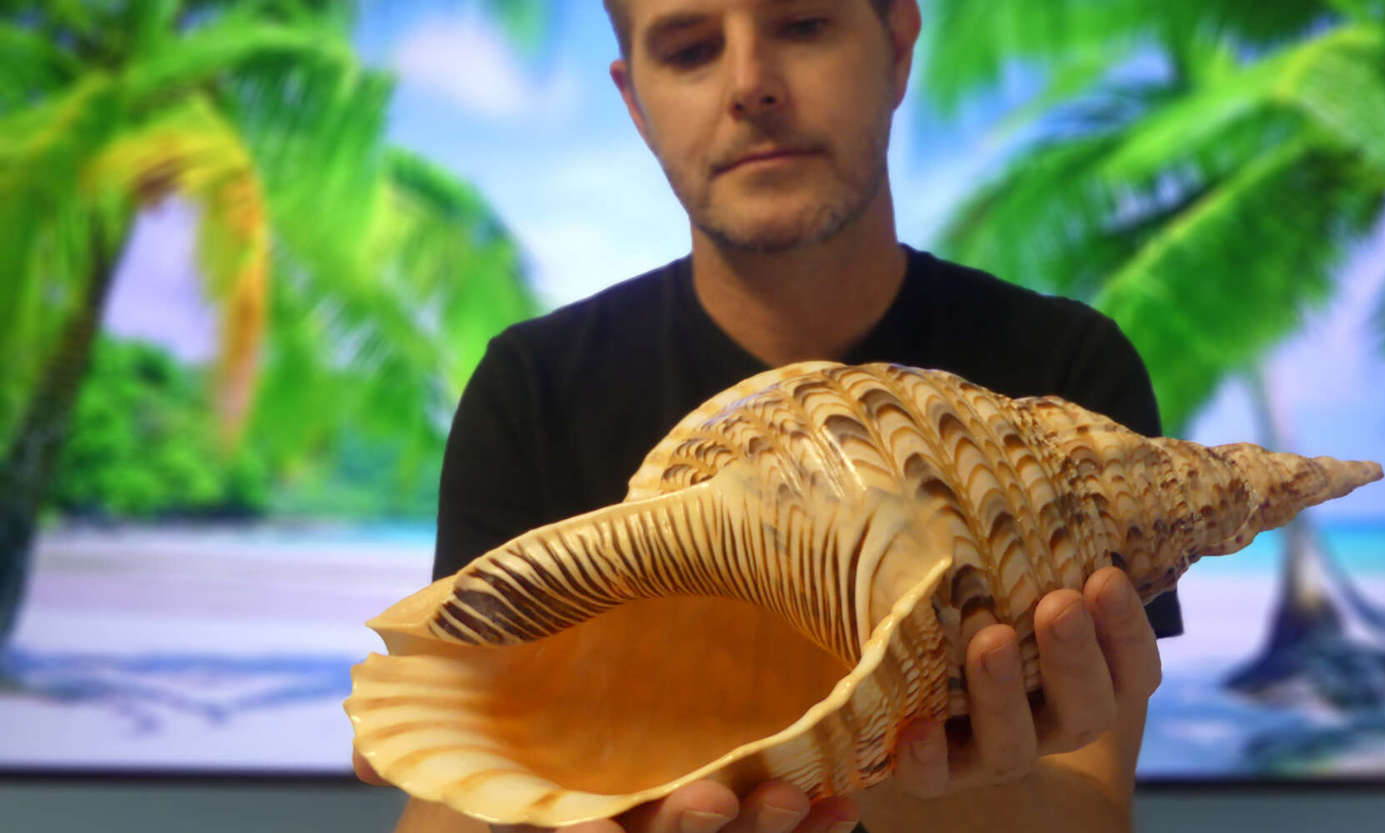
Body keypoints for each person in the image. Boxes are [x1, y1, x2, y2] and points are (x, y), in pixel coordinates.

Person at [357, 1, 1182, 830]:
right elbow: (448, 806)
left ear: (898, 48)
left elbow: (1090, 809)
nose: (751, 85)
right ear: (636, 104)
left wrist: (904, 751)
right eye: (689, 49)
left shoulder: (1069, 367)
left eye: (803, 24)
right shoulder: (534, 386)